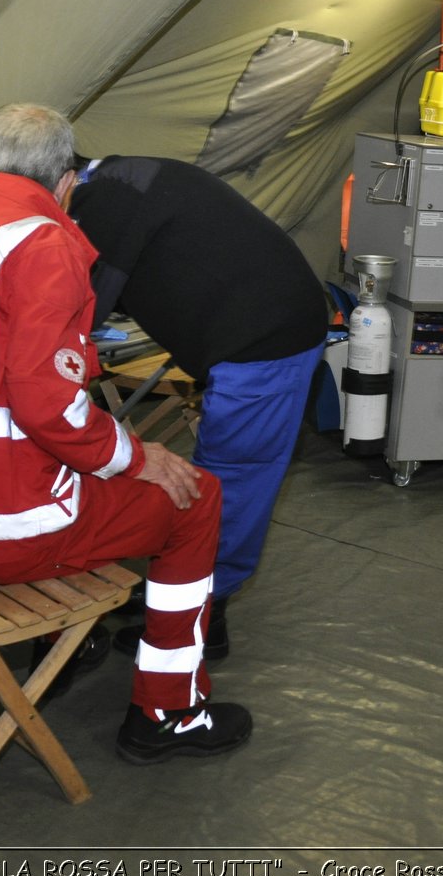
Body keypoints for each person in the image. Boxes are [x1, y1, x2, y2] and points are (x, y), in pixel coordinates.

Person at [0, 102, 250, 764]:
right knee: (195, 496)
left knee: (82, 469)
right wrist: (136, 455)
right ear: (67, 181)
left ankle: (73, 639)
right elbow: (49, 409)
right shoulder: (45, 242)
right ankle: (168, 710)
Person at [69, 154, 326, 659]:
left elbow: (79, 311)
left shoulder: (102, 204)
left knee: (229, 480)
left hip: (266, 340)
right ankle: (180, 594)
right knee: (216, 474)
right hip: (252, 323)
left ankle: (201, 619)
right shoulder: (122, 176)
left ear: (62, 180)